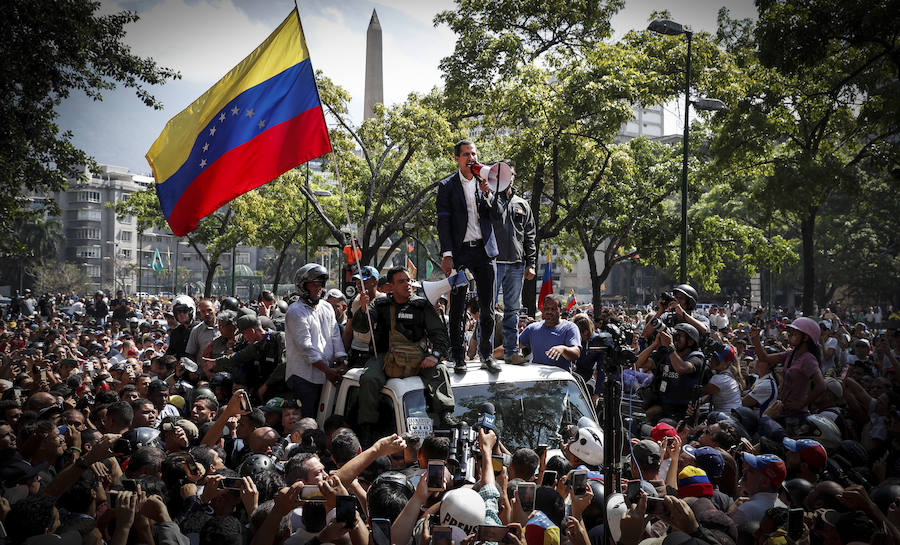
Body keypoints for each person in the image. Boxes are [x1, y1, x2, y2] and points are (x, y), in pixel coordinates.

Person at [353, 266, 456, 443]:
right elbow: (361, 327)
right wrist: (363, 309)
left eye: (408, 280)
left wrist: (435, 356)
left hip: (417, 358)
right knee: (369, 378)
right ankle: (367, 428)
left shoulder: (422, 305)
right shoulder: (380, 305)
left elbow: (439, 334)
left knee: (439, 370)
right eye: (401, 281)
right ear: (390, 286)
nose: (407, 284)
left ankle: (445, 415)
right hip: (385, 357)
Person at [436, 139, 502, 374]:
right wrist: (447, 254)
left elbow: (498, 216)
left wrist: (489, 195)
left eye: (473, 154)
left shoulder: (486, 183)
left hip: (484, 252)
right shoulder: (447, 186)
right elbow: (443, 222)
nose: (471, 158)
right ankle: (458, 356)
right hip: (460, 252)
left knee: (487, 307)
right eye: (465, 154)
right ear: (457, 159)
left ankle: (486, 354)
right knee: (457, 306)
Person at [488, 159, 536, 364]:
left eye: (511, 174)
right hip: (493, 263)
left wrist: (531, 263)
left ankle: (510, 353)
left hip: (516, 264)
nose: (509, 178)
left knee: (512, 311)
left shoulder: (522, 204)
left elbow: (530, 235)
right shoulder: (488, 199)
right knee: (488, 308)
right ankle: (485, 353)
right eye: (504, 174)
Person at [284, 264, 347, 419]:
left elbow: (335, 335)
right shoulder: (295, 311)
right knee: (307, 421)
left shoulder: (326, 307)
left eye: (320, 285)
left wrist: (341, 361)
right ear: (302, 287)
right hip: (303, 378)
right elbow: (306, 348)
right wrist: (328, 370)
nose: (318, 288)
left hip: (326, 376)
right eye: (313, 285)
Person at [750, 317, 826, 433]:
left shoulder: (808, 359)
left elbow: (821, 386)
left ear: (805, 338)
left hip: (797, 417)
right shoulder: (790, 354)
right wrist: (755, 338)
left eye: (794, 333)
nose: (790, 335)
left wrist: (802, 404)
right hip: (783, 412)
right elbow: (764, 358)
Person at [635, 322, 706, 423]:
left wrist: (670, 346)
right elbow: (638, 363)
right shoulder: (666, 353)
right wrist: (655, 344)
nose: (675, 339)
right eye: (675, 335)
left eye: (679, 336)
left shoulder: (696, 357)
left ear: (690, 342)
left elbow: (681, 368)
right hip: (663, 406)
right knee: (638, 419)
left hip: (683, 411)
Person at [517, 294, 581, 371]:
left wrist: (563, 349)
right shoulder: (532, 328)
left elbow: (576, 353)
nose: (549, 312)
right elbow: (512, 346)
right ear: (542, 309)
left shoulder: (570, 328)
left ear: (560, 310)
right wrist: (498, 355)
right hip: (536, 379)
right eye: (546, 308)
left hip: (560, 380)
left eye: (553, 309)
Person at [185, 298, 219, 363]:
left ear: (215, 310)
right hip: (202, 371)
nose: (207, 314)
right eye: (203, 311)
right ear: (200, 313)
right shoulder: (196, 331)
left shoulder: (224, 327)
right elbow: (190, 354)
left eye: (209, 310)